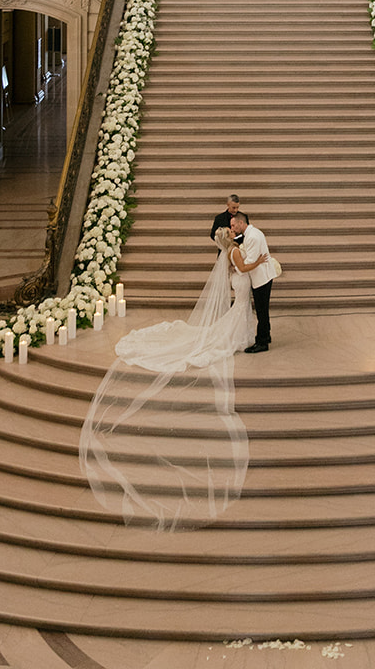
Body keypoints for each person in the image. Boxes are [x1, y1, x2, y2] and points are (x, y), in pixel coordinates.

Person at [79, 225, 266, 529]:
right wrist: (260, 262)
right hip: (242, 286)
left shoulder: (228, 251)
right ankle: (237, 338)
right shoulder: (233, 252)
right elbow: (243, 265)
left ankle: (239, 336)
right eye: (231, 234)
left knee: (235, 316)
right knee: (226, 328)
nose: (233, 235)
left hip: (239, 288)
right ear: (228, 240)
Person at [233, 210, 276, 352]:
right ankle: (267, 334)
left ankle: (262, 342)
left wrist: (236, 268)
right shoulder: (252, 233)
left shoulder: (252, 237)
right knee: (263, 309)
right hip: (263, 275)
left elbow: (249, 262)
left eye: (234, 226)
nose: (233, 229)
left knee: (261, 310)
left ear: (241, 222)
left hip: (261, 278)